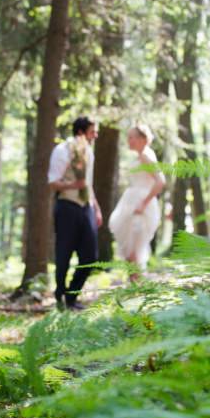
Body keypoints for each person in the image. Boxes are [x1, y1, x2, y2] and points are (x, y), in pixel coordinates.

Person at [47, 117, 103, 310]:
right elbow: (53, 182)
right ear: (81, 132)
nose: (95, 135)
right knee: (64, 252)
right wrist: (72, 185)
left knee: (90, 256)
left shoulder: (90, 153)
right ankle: (60, 294)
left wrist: (96, 208)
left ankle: (73, 294)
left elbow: (88, 184)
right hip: (66, 206)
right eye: (92, 132)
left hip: (85, 207)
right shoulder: (62, 151)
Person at [108, 124, 165, 281]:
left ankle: (137, 285)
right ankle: (135, 284)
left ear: (142, 139)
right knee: (129, 247)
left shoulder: (146, 156)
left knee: (134, 248)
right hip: (131, 202)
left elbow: (160, 182)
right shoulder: (141, 156)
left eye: (131, 137)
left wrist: (143, 203)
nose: (129, 140)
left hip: (140, 205)